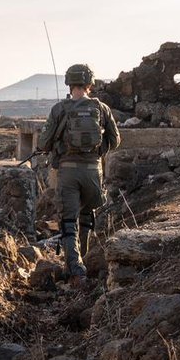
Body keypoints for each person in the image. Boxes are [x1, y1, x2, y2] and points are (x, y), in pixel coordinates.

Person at [38, 63, 121, 282]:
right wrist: (96, 153)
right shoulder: (101, 108)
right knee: (86, 215)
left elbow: (44, 142)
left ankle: (74, 267)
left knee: (68, 220)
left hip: (67, 172)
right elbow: (115, 140)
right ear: (89, 84)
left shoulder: (59, 109)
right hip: (93, 171)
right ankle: (83, 259)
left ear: (69, 83)